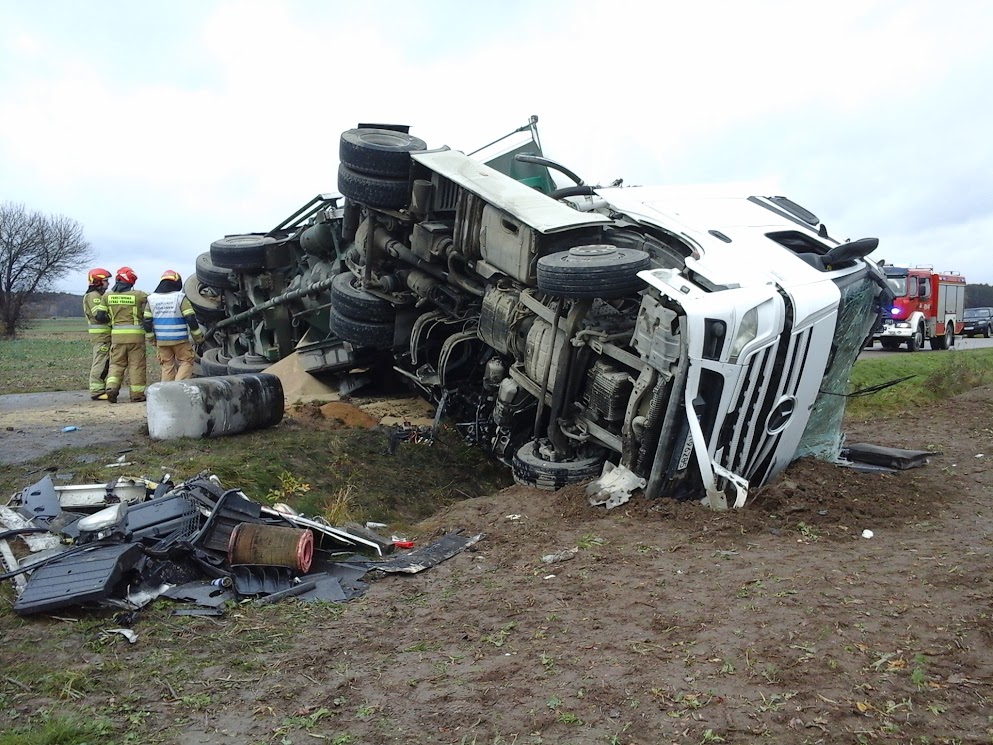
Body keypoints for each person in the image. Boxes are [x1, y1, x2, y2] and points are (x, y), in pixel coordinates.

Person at [99, 267, 149, 404]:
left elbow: (100, 315)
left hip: (117, 337)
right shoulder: (138, 295)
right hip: (136, 338)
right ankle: (137, 395)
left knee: (116, 364)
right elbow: (153, 300)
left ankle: (111, 388)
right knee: (136, 366)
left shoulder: (107, 296)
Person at [144, 269, 204, 381]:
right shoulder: (179, 297)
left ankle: (167, 392)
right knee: (186, 362)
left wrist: (152, 339)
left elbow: (147, 321)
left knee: (167, 366)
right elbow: (190, 317)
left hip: (162, 341)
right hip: (180, 340)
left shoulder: (151, 299)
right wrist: (198, 337)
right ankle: (178, 388)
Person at [82, 268, 112, 399]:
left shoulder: (98, 296)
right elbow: (100, 316)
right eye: (105, 281)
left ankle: (101, 388)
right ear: (97, 281)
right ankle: (97, 391)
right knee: (100, 362)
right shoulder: (93, 296)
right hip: (101, 336)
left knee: (105, 363)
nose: (108, 284)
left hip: (104, 336)